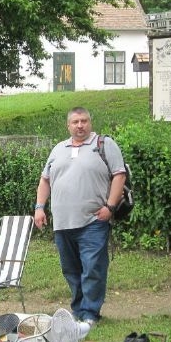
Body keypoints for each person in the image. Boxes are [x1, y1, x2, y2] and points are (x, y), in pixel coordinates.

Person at [33, 107, 126, 326]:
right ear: (68, 126)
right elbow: (45, 180)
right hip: (63, 223)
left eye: (84, 120)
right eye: (75, 122)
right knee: (71, 270)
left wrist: (110, 207)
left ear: (90, 122)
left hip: (93, 221)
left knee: (92, 267)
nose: (80, 125)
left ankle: (91, 313)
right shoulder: (58, 149)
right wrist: (39, 207)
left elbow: (119, 175)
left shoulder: (103, 145)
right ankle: (78, 309)